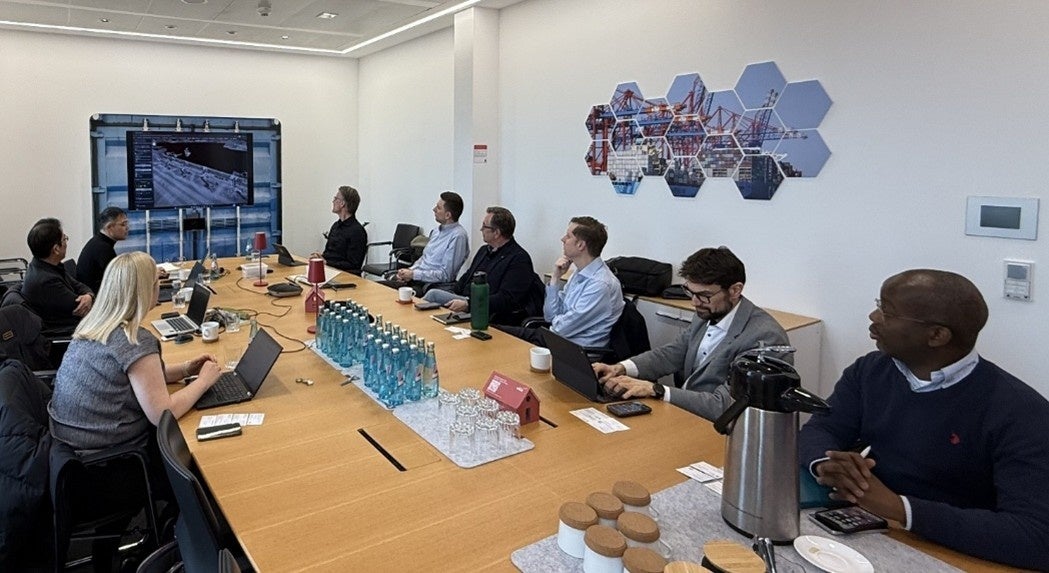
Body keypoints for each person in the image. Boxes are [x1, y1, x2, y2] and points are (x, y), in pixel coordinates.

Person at [798, 269, 1049, 570]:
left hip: (958, 551)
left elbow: (1036, 537)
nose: (873, 317)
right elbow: (822, 427)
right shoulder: (871, 371)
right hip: (872, 526)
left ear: (937, 335)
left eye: (887, 312)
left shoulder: (1021, 412)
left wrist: (902, 509)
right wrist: (826, 463)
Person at [49, 251, 222, 454]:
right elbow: (162, 414)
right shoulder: (134, 340)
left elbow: (138, 378)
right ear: (148, 290)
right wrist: (203, 382)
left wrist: (186, 369)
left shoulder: (94, 325)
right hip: (105, 454)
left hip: (66, 441)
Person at [593, 246, 789, 421]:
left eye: (704, 295)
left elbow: (725, 405)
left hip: (721, 429)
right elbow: (672, 353)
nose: (694, 302)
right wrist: (620, 368)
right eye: (690, 292)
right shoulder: (707, 312)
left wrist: (657, 390)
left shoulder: (765, 338)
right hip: (685, 414)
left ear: (735, 290)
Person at [500, 216, 624, 347]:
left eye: (568, 236)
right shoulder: (579, 273)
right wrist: (555, 278)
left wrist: (557, 321)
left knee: (503, 340)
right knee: (496, 332)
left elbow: (561, 329)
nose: (563, 239)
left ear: (581, 245)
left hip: (574, 350)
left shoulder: (601, 284)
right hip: (557, 339)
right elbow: (549, 316)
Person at [423, 206, 543, 326]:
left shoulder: (519, 259)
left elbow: (507, 299)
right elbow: (467, 277)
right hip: (465, 299)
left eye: (485, 226)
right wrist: (453, 292)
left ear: (496, 233)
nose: (481, 229)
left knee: (433, 295)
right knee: (434, 295)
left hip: (485, 309)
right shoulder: (484, 251)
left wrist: (469, 304)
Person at [21, 220, 94, 332]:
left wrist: (88, 295)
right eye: (64, 239)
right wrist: (89, 297)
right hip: (67, 330)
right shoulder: (46, 281)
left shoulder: (45, 265)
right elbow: (81, 307)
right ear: (56, 249)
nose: (66, 243)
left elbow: (78, 285)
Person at [390, 191, 469, 293]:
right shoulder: (436, 231)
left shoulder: (458, 236)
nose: (434, 209)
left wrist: (414, 275)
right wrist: (409, 271)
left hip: (432, 285)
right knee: (379, 287)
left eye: (438, 208)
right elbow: (424, 259)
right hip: (417, 278)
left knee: (391, 294)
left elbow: (446, 275)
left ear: (448, 215)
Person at [76, 206, 129, 294]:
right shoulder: (103, 248)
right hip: (96, 296)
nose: (127, 228)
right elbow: (117, 279)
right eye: (123, 224)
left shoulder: (99, 241)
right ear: (109, 227)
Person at [316, 185, 367, 274]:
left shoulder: (357, 231)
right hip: (329, 271)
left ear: (342, 203)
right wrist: (320, 257)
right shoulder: (335, 226)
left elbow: (354, 264)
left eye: (336, 199)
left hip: (344, 275)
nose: (333, 201)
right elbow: (329, 253)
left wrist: (327, 263)